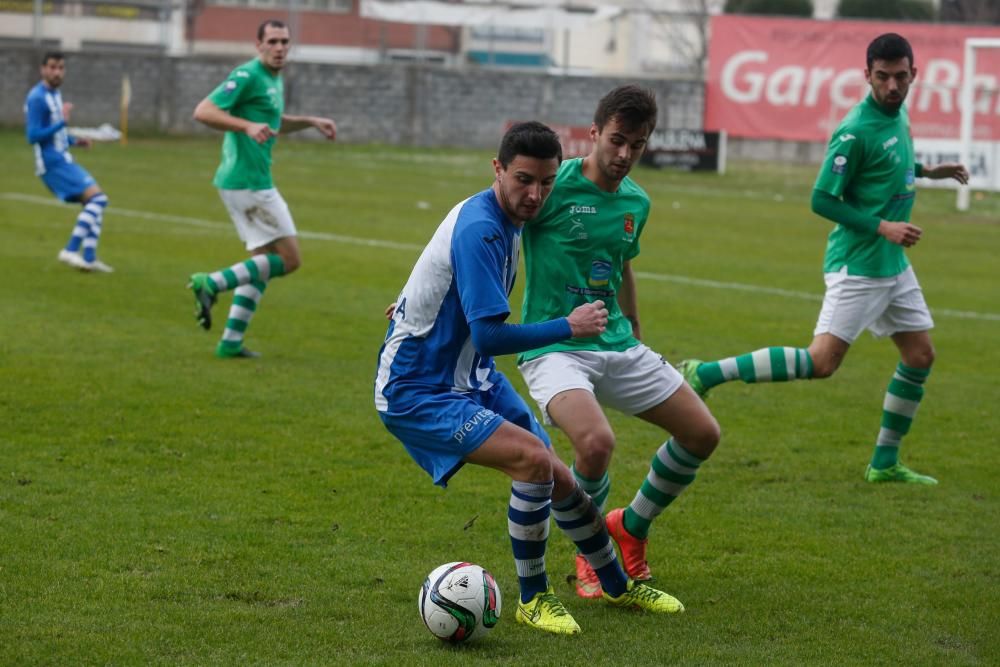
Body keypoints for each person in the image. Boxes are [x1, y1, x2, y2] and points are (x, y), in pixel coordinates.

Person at [375, 122, 685, 636]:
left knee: (557, 475)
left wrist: (412, 304)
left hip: (468, 375)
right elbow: (492, 335)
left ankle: (616, 583)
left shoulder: (506, 215)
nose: (535, 195)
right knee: (534, 462)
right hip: (417, 390)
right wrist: (570, 325)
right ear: (497, 169)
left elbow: (440, 276)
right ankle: (533, 597)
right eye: (523, 180)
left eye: (545, 182)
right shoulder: (483, 228)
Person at [678, 33, 969, 486]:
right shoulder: (855, 130)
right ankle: (706, 372)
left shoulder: (899, 112)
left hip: (892, 265)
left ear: (914, 74)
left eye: (901, 76)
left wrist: (931, 172)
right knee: (821, 363)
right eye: (883, 77)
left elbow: (890, 166)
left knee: (920, 354)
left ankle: (884, 463)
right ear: (866, 75)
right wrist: (882, 226)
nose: (893, 86)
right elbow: (821, 199)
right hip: (859, 264)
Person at [515, 86, 721, 600]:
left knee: (702, 433)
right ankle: (591, 554)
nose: (625, 154)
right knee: (596, 443)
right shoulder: (553, 185)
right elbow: (488, 228)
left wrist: (634, 325)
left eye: (638, 144)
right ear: (593, 133)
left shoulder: (637, 202)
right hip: (554, 345)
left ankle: (629, 526)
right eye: (617, 140)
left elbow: (622, 261)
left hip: (617, 343)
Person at [189, 19, 337, 358]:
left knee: (262, 263)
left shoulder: (272, 79)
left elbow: (273, 122)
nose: (280, 47)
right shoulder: (247, 75)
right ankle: (210, 283)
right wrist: (245, 125)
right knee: (289, 259)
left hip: (245, 181)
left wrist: (310, 121)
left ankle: (230, 342)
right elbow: (203, 111)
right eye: (272, 41)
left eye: (285, 41)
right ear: (259, 46)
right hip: (248, 183)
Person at [25, 51, 113, 273]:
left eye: (61, 68)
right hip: (52, 163)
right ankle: (70, 250)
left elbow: (55, 134)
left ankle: (89, 258)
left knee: (93, 203)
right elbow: (33, 136)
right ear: (43, 69)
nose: (57, 72)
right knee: (98, 200)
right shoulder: (37, 97)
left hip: (62, 158)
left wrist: (75, 141)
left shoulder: (55, 93)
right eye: (52, 67)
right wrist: (62, 124)